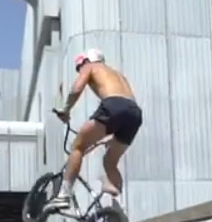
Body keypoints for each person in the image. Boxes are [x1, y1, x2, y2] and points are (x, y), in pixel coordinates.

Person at [46, 48, 144, 212]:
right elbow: (125, 108)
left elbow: (77, 88)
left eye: (79, 67)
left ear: (86, 61)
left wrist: (66, 110)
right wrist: (113, 135)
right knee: (109, 162)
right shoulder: (117, 74)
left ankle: (64, 195)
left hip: (114, 106)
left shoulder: (91, 66)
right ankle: (117, 208)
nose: (80, 71)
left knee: (78, 147)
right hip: (134, 113)